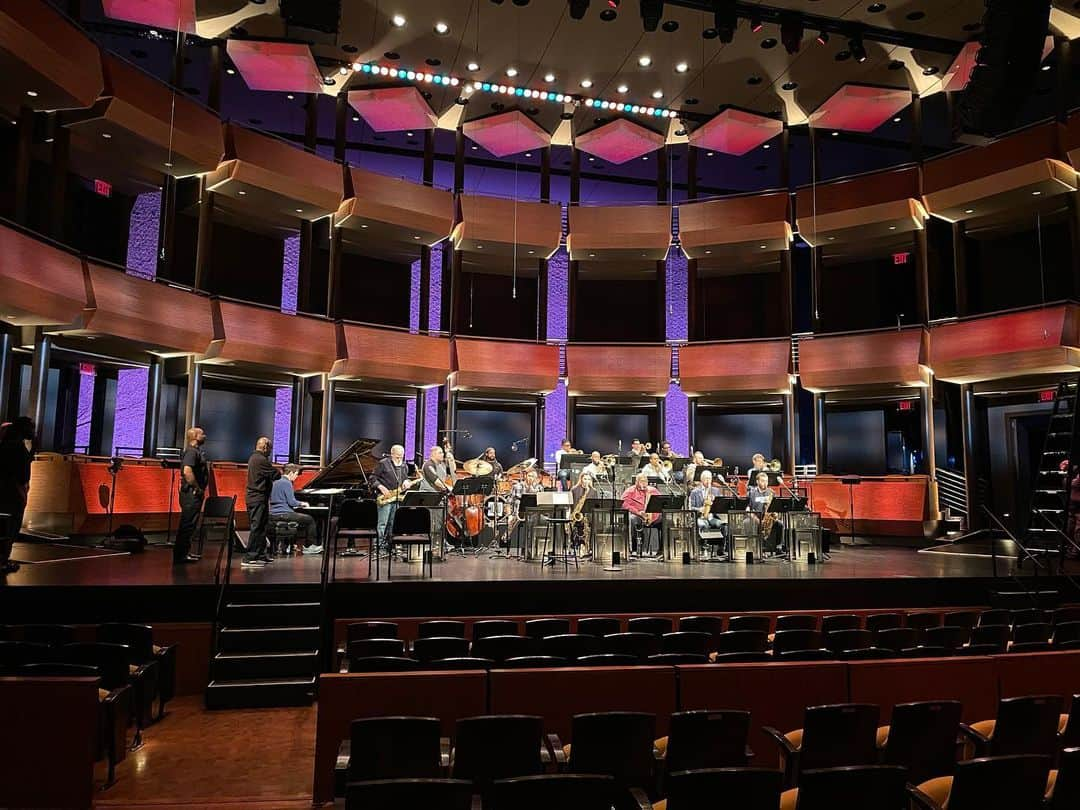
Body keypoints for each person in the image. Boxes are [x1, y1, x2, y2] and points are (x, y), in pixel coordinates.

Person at [0, 417, 34, 575]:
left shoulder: (5, 445)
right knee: (11, 528)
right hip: (13, 494)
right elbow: (22, 475)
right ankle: (2, 561)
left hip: (7, 493)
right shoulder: (18, 448)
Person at [242, 437, 280, 567]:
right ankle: (250, 557)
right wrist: (277, 471)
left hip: (259, 498)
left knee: (262, 527)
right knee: (257, 527)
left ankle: (261, 554)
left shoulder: (255, 458)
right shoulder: (260, 460)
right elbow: (276, 474)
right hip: (257, 498)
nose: (270, 451)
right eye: (270, 448)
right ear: (265, 447)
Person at [373, 444, 418, 553]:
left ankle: (390, 545)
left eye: (401, 456)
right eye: (397, 456)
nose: (399, 458)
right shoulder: (383, 463)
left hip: (397, 497)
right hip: (386, 496)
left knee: (393, 523)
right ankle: (378, 546)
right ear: (391, 454)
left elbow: (405, 478)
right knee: (382, 523)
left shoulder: (404, 465)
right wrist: (381, 487)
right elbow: (372, 478)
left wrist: (406, 482)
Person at [174, 426, 209, 565]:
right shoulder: (191, 452)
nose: (205, 436)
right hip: (191, 493)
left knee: (191, 524)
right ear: (195, 436)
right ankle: (180, 555)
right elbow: (187, 471)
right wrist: (197, 488)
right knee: (187, 524)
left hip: (194, 493)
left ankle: (184, 552)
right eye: (202, 434)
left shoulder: (196, 452)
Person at [270, 464, 321, 555]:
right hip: (284, 513)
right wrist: (302, 503)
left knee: (301, 518)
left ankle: (292, 544)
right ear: (290, 473)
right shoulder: (287, 483)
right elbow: (292, 502)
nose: (296, 477)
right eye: (296, 474)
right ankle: (310, 546)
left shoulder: (275, 482)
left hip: (273, 513)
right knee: (310, 520)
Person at [689, 470, 727, 560]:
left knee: (722, 525)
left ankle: (720, 550)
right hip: (700, 517)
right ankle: (703, 550)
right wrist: (700, 509)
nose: (708, 480)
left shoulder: (716, 491)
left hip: (712, 516)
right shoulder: (695, 491)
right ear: (701, 479)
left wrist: (715, 502)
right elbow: (690, 507)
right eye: (706, 478)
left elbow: (721, 506)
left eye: (709, 478)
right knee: (703, 524)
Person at [622, 472, 662, 557]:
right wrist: (638, 512)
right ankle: (633, 549)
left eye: (645, 481)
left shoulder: (653, 490)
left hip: (652, 516)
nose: (644, 483)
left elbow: (661, 503)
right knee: (632, 519)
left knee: (666, 520)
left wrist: (652, 516)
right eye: (641, 481)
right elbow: (624, 504)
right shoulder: (630, 491)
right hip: (638, 515)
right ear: (636, 482)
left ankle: (663, 550)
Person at [746, 470, 783, 554]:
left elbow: (776, 507)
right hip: (755, 517)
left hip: (768, 518)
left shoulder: (771, 492)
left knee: (780, 524)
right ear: (757, 481)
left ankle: (778, 547)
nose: (765, 483)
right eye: (762, 481)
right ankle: (752, 548)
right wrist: (755, 518)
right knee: (747, 522)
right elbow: (747, 509)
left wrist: (775, 515)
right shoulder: (751, 493)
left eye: (766, 481)